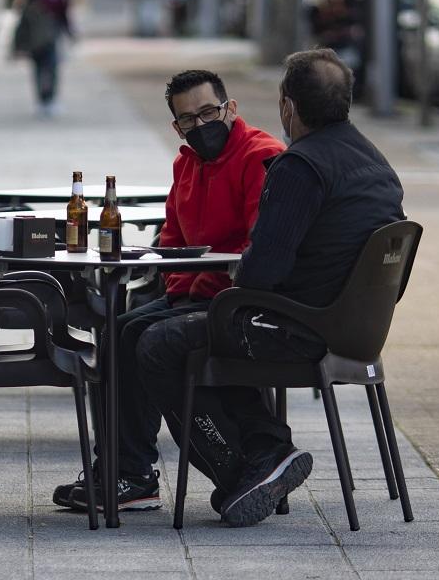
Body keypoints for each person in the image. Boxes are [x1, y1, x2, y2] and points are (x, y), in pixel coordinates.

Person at [136, 48, 405, 527]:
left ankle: (244, 467)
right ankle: (264, 451)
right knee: (193, 327)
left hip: (297, 327)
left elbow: (261, 273)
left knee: (161, 342)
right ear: (345, 100)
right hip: (358, 331)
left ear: (287, 107)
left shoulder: (300, 167)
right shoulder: (377, 163)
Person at [53, 69, 284, 514]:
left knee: (139, 337)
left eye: (208, 113)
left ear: (230, 109)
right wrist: (181, 289)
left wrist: (195, 288)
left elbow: (258, 247)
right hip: (193, 294)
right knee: (118, 332)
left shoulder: (262, 157)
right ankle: (126, 471)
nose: (200, 126)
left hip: (233, 297)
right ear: (176, 127)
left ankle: (132, 472)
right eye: (188, 120)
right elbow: (173, 239)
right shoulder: (185, 163)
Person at [11, 0, 71, 116]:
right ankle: (42, 99)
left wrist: (69, 31)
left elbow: (64, 13)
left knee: (51, 69)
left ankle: (49, 98)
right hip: (35, 39)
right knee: (40, 70)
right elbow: (22, 21)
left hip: (50, 37)